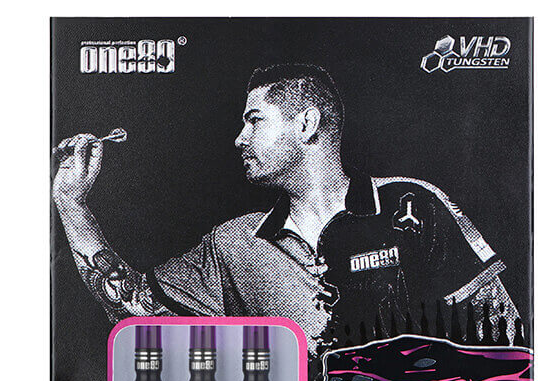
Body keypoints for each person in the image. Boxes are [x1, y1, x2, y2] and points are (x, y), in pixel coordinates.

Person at [53, 63, 520, 357]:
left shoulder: (410, 206)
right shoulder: (232, 246)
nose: (239, 139)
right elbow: (137, 310)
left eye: (254, 121)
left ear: (307, 123)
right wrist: (72, 205)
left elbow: (507, 345)